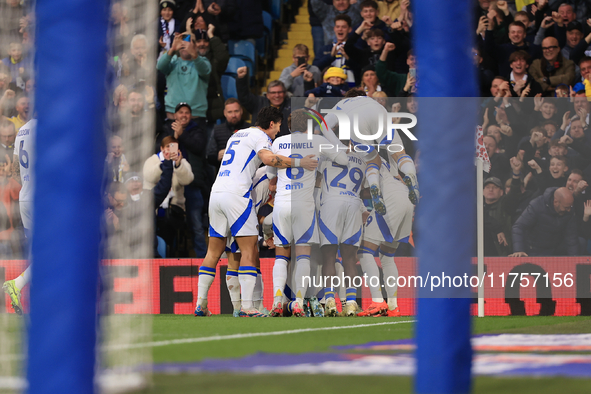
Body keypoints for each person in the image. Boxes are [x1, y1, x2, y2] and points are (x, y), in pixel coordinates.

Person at [194, 107, 318, 317]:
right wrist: (300, 162)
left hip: (216, 193)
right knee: (249, 248)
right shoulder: (260, 136)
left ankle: (201, 304)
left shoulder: (238, 134)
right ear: (271, 124)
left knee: (213, 252)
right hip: (237, 195)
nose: (277, 133)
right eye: (277, 128)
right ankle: (248, 307)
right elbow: (270, 160)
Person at [267, 108, 349, 317]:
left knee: (281, 254)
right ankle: (298, 302)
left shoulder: (278, 142)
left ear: (289, 125)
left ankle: (278, 300)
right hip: (303, 204)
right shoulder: (317, 141)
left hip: (281, 203)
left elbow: (270, 173)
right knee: (303, 255)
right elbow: (344, 159)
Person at [318, 144, 366, 316]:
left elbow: (316, 180)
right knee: (350, 259)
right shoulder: (362, 158)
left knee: (329, 257)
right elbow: (365, 190)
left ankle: (329, 301)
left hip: (331, 204)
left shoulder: (326, 154)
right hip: (353, 204)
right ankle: (351, 303)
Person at [159, 102, 209, 257]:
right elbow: (162, 148)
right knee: (171, 223)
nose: (184, 115)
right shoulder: (167, 130)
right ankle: (172, 257)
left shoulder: (197, 130)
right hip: (172, 186)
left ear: (191, 115)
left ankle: (203, 259)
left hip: (193, 184)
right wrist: (174, 136)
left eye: (187, 112)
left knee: (197, 225)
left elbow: (198, 147)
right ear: (175, 115)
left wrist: (182, 134)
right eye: (180, 112)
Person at [2, 118, 35, 315]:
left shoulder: (22, 130)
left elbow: (15, 172)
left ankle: (21, 287)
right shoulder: (47, 127)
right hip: (43, 200)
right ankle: (17, 283)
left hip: (25, 199)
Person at [143, 135, 194, 251]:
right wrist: (164, 164)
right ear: (161, 148)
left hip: (173, 208)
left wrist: (178, 164)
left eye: (173, 146)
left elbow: (188, 180)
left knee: (170, 231)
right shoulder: (152, 160)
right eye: (167, 146)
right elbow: (149, 177)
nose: (170, 149)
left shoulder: (182, 161)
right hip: (153, 206)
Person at [157, 32, 211, 120]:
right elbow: (160, 66)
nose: (184, 45)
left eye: (188, 41)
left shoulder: (204, 61)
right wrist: (172, 49)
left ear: (195, 45)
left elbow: (204, 70)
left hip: (196, 115)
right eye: (181, 42)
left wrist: (194, 54)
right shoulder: (172, 61)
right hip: (173, 114)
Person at [511, 187, 579, 256]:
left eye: (571, 206)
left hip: (555, 247)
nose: (569, 210)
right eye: (566, 207)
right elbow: (519, 227)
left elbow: (571, 237)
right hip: (534, 248)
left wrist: (574, 260)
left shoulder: (568, 210)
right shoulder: (536, 205)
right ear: (556, 202)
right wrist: (518, 250)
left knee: (581, 242)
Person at [236, 66, 291, 138]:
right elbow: (244, 97)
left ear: (284, 94)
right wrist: (241, 79)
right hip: (259, 145)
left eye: (279, 92)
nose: (277, 95)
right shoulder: (258, 102)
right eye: (273, 93)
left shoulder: (291, 104)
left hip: (285, 145)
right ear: (267, 95)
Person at [207, 98, 251, 172]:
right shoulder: (217, 130)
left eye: (236, 111)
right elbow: (209, 156)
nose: (233, 115)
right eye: (230, 112)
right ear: (225, 113)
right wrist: (217, 157)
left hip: (247, 174)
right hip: (224, 175)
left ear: (241, 111)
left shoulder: (251, 129)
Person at [313, 14, 356, 87]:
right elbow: (316, 67)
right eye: (338, 27)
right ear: (334, 29)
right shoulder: (325, 49)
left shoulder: (355, 49)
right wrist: (331, 56)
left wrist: (348, 58)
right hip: (329, 89)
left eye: (344, 27)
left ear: (350, 29)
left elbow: (360, 69)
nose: (340, 29)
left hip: (350, 88)